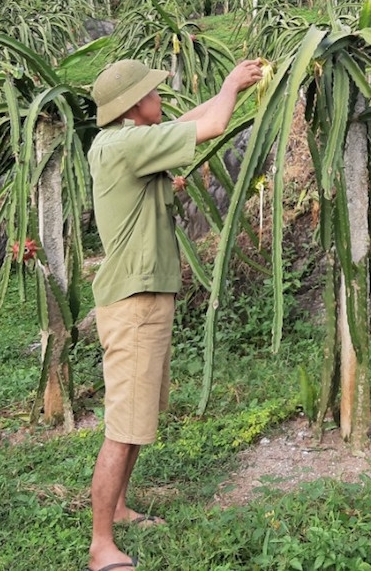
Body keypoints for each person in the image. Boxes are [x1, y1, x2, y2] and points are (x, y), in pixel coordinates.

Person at [85, 56, 264, 571]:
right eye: (152, 92)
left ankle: (120, 508)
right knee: (123, 426)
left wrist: (235, 90)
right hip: (134, 303)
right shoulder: (127, 145)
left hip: (144, 297)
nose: (160, 98)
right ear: (134, 105)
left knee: (138, 417)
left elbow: (186, 123)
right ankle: (101, 545)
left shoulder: (123, 141)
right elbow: (212, 126)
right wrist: (230, 85)